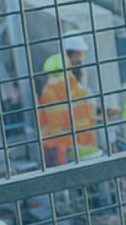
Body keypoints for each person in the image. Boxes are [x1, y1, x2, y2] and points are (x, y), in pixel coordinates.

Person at [37, 36, 100, 169]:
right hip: (79, 144)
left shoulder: (52, 90)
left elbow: (58, 126)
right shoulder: (73, 87)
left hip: (71, 147)